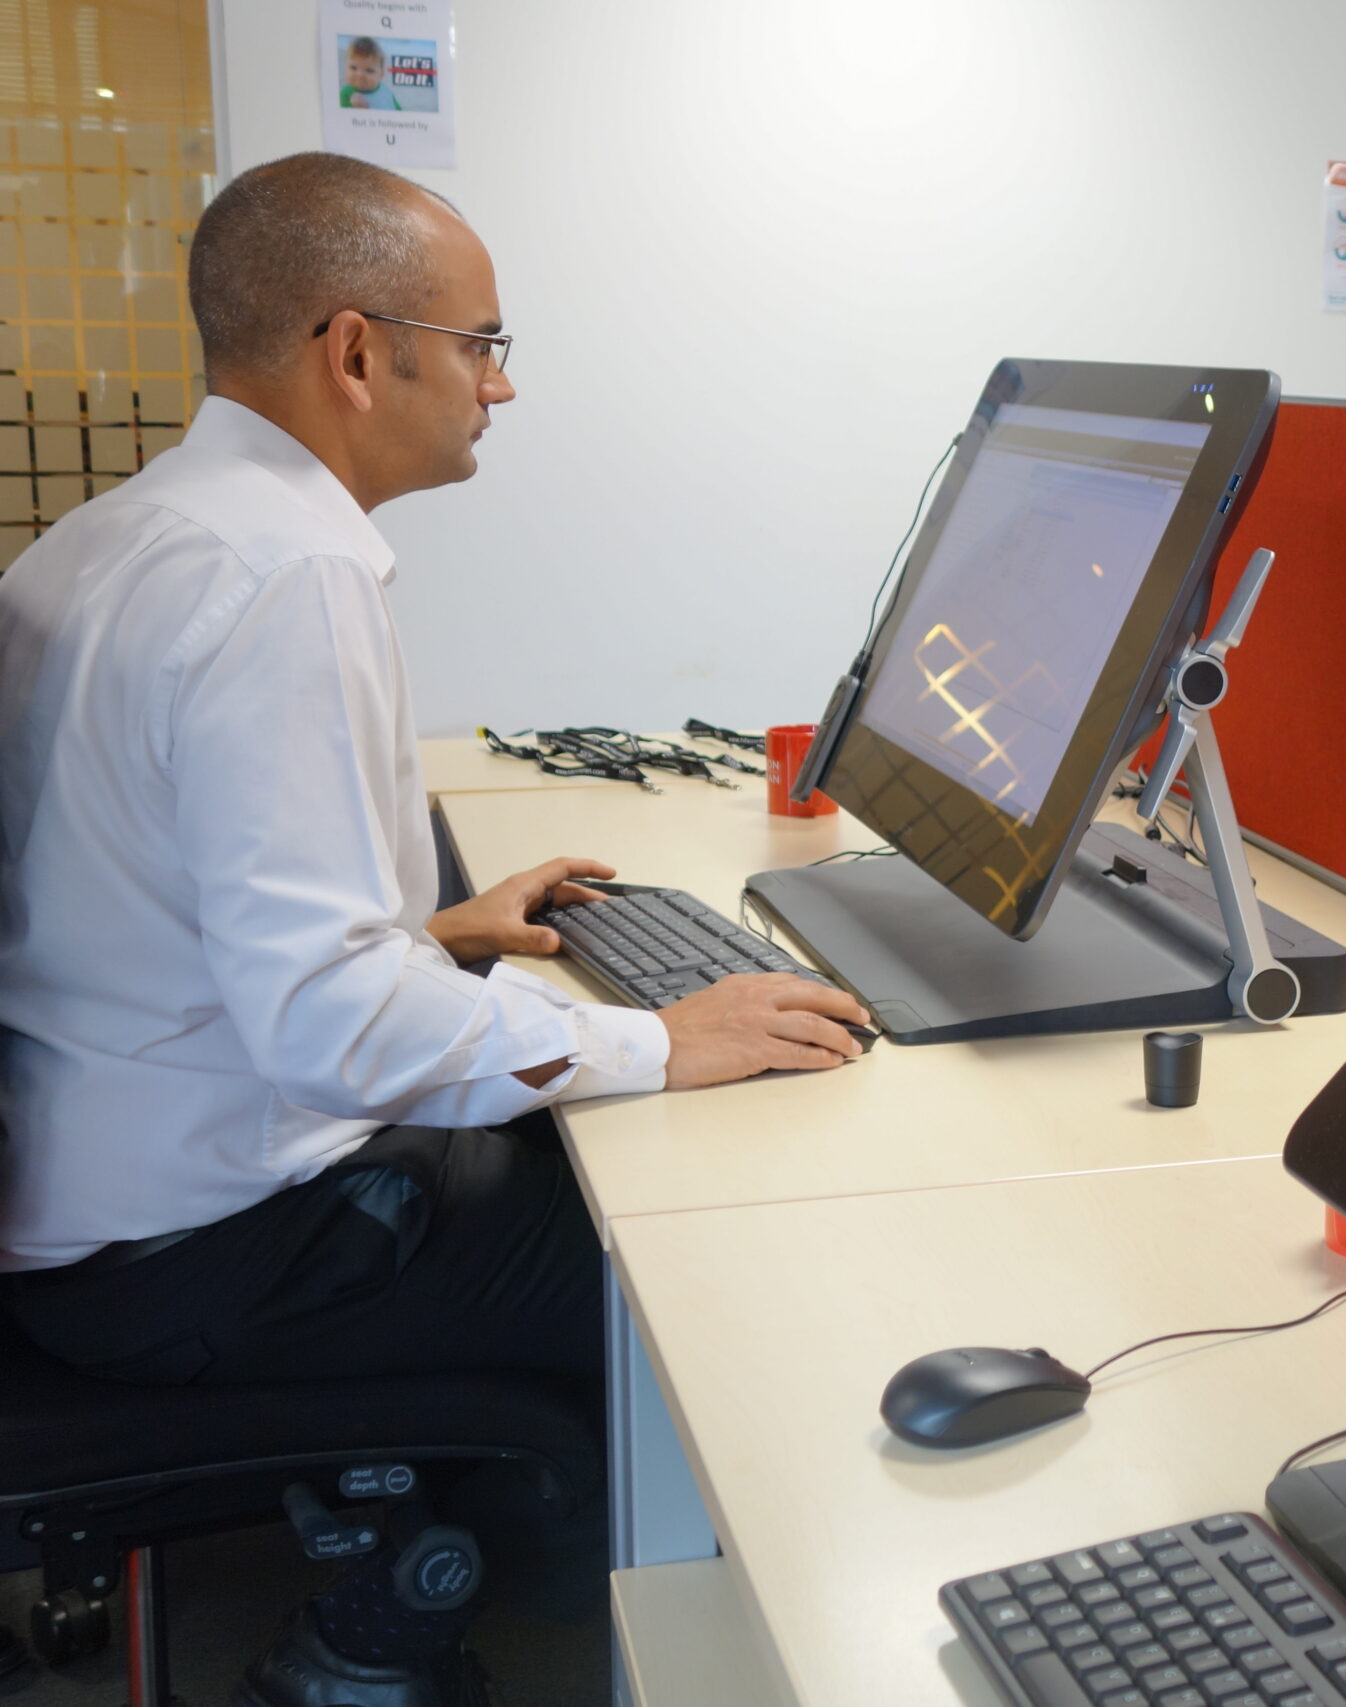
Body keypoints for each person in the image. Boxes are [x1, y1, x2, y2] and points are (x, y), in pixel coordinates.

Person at [0, 151, 869, 1707]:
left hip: (105, 1187)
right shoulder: (285, 573)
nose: (501, 387)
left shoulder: (118, 534)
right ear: (354, 351)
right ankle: (394, 1626)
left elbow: (143, 897)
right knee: (704, 1257)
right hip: (209, 1249)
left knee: (584, 1144)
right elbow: (327, 1027)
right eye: (482, 344)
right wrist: (660, 1034)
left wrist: (431, 932)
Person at [341, 36, 398, 110]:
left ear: (381, 74)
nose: (360, 75)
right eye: (353, 68)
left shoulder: (385, 90)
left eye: (369, 70)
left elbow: (398, 110)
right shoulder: (346, 94)